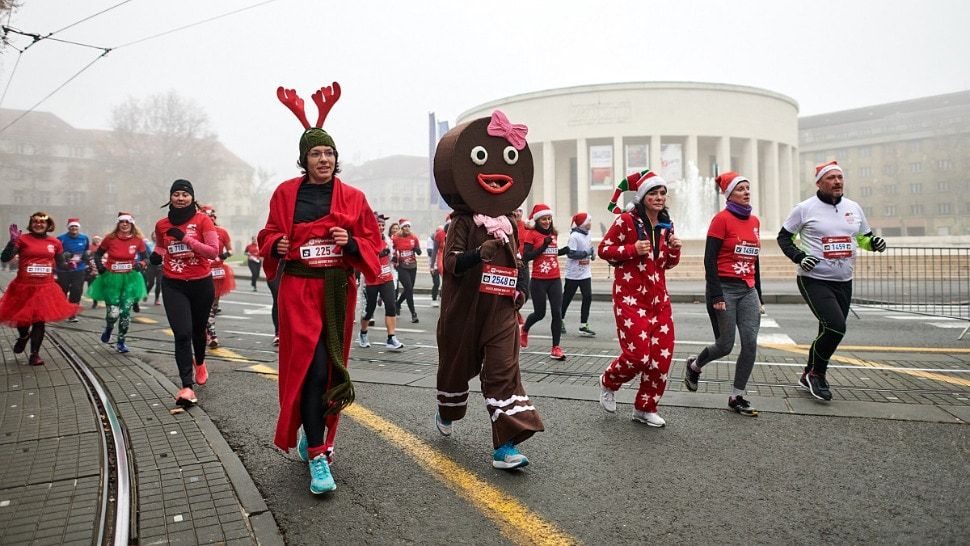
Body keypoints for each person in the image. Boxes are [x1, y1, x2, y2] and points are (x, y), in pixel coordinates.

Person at [259, 82, 383, 495]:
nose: (324, 159)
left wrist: (352, 243)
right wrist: (274, 244)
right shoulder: (285, 193)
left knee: (329, 371)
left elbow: (373, 243)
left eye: (329, 152)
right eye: (316, 153)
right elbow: (270, 234)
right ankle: (317, 454)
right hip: (298, 290)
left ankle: (318, 436)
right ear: (304, 159)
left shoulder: (353, 197)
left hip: (335, 293)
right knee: (309, 372)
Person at [433, 109, 543, 469]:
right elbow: (450, 263)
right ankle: (447, 410)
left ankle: (506, 446)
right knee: (455, 369)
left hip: (500, 312)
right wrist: (478, 255)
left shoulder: (509, 222)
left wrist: (521, 290)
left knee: (502, 374)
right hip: (464, 311)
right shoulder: (463, 222)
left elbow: (519, 261)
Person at [777, 160, 887, 401]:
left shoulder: (853, 207)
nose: (837, 181)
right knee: (837, 327)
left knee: (827, 328)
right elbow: (784, 238)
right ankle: (818, 374)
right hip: (814, 279)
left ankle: (808, 372)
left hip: (844, 280)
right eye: (831, 178)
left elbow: (862, 238)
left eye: (840, 177)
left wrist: (874, 244)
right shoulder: (804, 208)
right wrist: (799, 256)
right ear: (819, 183)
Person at [597, 170, 682, 427]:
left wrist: (675, 251)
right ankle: (608, 381)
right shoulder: (626, 220)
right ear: (643, 196)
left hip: (659, 301)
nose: (659, 197)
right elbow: (604, 250)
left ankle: (645, 407)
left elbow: (665, 263)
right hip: (630, 297)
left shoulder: (667, 224)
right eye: (654, 193)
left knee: (660, 358)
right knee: (638, 356)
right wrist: (632, 249)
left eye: (662, 193)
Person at [683, 172, 763, 416]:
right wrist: (716, 295)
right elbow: (709, 259)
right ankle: (695, 366)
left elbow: (754, 261)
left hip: (747, 289)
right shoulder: (721, 220)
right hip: (724, 289)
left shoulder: (755, 221)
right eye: (740, 189)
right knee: (725, 345)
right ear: (729, 194)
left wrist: (760, 294)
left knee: (750, 343)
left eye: (748, 188)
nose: (746, 192)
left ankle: (737, 395)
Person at [150, 179, 220, 407]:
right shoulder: (162, 224)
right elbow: (162, 245)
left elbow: (212, 252)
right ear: (170, 197)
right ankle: (186, 387)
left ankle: (200, 361)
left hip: (201, 284)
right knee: (182, 334)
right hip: (174, 284)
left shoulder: (203, 220)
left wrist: (185, 239)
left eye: (185, 194)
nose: (180, 198)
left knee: (198, 331)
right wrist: (156, 254)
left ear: (192, 197)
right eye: (176, 194)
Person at [0, 213, 79, 365]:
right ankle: (23, 336)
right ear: (31, 224)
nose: (39, 224)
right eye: (35, 222)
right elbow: (4, 258)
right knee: (22, 320)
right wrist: (12, 242)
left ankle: (34, 354)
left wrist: (69, 264)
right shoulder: (22, 239)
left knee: (39, 321)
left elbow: (60, 263)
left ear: (48, 225)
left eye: (42, 222)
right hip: (23, 286)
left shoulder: (55, 242)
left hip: (44, 288)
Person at [88, 212, 149, 354]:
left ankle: (121, 341)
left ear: (132, 224)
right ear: (118, 223)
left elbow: (146, 257)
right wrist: (101, 267)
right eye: (122, 222)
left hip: (130, 279)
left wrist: (141, 264)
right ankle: (109, 327)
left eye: (128, 222)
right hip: (112, 278)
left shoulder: (138, 240)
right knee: (113, 313)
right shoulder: (110, 239)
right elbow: (97, 254)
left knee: (125, 312)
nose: (125, 224)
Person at [519, 204, 570, 360]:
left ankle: (556, 347)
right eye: (544, 219)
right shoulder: (532, 235)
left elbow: (551, 254)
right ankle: (525, 329)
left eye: (549, 218)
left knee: (557, 312)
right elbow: (527, 256)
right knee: (540, 314)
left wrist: (564, 251)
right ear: (537, 220)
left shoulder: (553, 234)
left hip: (554, 279)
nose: (547, 221)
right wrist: (544, 245)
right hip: (538, 281)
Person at [358, 213, 404, 351]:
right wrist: (377, 254)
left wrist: (394, 259)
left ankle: (391, 338)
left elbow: (391, 257)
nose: (381, 227)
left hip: (386, 278)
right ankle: (363, 333)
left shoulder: (388, 240)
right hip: (371, 279)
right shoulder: (366, 239)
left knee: (391, 306)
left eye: (383, 225)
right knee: (369, 310)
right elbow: (363, 256)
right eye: (378, 224)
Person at [560, 212, 596, 336]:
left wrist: (592, 253)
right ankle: (560, 320)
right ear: (583, 224)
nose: (590, 224)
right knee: (567, 298)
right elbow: (571, 254)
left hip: (585, 273)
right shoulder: (574, 236)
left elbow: (589, 247)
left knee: (588, 296)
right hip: (573, 274)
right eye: (588, 222)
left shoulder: (588, 234)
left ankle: (583, 325)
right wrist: (586, 253)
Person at [204, 206, 235, 348]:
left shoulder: (222, 232)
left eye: (212, 216)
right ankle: (212, 334)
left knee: (214, 306)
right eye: (206, 216)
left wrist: (225, 255)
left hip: (218, 272)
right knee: (206, 305)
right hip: (201, 271)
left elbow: (231, 250)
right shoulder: (197, 232)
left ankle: (207, 330)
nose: (210, 219)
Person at [55, 218, 90, 322]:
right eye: (71, 226)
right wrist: (64, 256)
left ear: (78, 228)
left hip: (79, 269)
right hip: (63, 270)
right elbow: (56, 253)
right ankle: (61, 311)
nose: (74, 228)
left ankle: (72, 313)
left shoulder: (84, 238)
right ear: (68, 228)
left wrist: (85, 256)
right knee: (62, 291)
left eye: (76, 226)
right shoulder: (61, 238)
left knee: (77, 290)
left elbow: (86, 250)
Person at [392, 218, 422, 323]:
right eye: (405, 226)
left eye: (409, 226)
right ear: (402, 228)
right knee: (409, 288)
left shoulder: (414, 237)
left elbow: (419, 252)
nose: (407, 228)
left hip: (413, 266)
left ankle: (398, 303)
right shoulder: (395, 238)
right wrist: (393, 258)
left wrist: (416, 249)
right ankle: (413, 314)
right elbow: (392, 251)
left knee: (409, 289)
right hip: (402, 267)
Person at [142, 232, 163, 305]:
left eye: (156, 236)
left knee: (159, 283)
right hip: (151, 266)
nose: (155, 237)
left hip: (160, 266)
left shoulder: (162, 244)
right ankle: (146, 294)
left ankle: (157, 299)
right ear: (152, 237)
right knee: (151, 283)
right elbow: (146, 255)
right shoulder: (149, 244)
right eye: (153, 236)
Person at [428, 225, 444, 307]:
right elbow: (430, 252)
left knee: (445, 282)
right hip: (433, 264)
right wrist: (432, 266)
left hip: (442, 262)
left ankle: (441, 295)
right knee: (436, 283)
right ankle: (434, 299)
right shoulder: (431, 239)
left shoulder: (444, 239)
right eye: (437, 231)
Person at [86, 235, 103, 308]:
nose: (96, 240)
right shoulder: (89, 247)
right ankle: (94, 301)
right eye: (95, 239)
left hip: (101, 269)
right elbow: (86, 256)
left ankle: (106, 299)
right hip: (91, 269)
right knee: (91, 286)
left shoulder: (103, 247)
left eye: (98, 239)